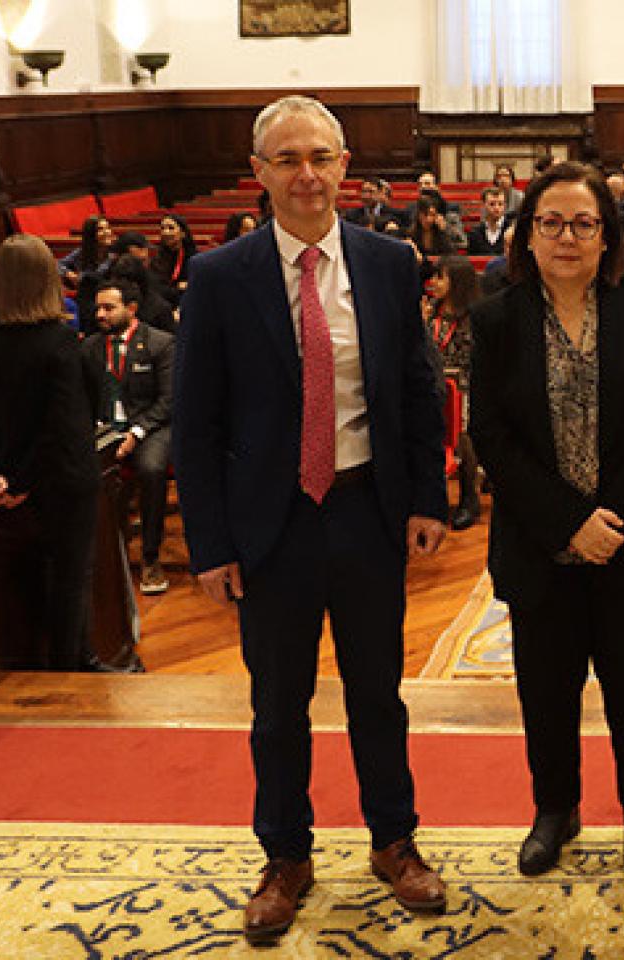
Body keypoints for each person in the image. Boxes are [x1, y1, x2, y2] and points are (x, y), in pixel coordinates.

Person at [172, 95, 452, 944]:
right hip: (272, 525)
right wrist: (211, 544)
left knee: (379, 695)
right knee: (278, 704)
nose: (307, 175)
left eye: (321, 157)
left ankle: (394, 841)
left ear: (345, 167)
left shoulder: (387, 263)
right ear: (258, 174)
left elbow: (414, 390)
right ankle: (286, 856)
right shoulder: (221, 278)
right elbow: (197, 422)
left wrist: (426, 500)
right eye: (287, 159)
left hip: (367, 511)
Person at [468, 161, 624, 883]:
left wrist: (610, 520)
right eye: (551, 222)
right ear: (527, 234)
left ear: (607, 235)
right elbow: (492, 434)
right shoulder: (498, 317)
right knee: (545, 687)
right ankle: (554, 810)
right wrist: (569, 524)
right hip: (541, 544)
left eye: (583, 223)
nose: (567, 236)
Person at [0, 235, 106, 674]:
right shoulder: (59, 341)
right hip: (61, 479)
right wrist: (21, 482)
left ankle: (65, 661)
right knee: (71, 576)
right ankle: (72, 670)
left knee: (29, 572)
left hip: (5, 483)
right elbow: (64, 426)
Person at [82, 278, 174, 594]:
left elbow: (168, 401)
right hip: (106, 430)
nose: (101, 315)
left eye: (109, 308)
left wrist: (136, 432)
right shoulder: (90, 348)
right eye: (98, 308)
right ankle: (107, 555)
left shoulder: (160, 343)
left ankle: (150, 557)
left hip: (151, 427)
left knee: (151, 469)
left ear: (131, 309)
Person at [423, 255, 481, 529]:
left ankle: (469, 498)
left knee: (464, 430)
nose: (433, 283)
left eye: (441, 277)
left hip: (465, 386)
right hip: (433, 384)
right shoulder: (430, 311)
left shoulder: (477, 317)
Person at [150, 214, 198, 305]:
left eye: (171, 228)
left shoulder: (195, 258)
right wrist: (178, 288)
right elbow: (157, 288)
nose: (166, 232)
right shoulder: (156, 259)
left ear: (183, 233)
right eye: (163, 228)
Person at [59, 215, 115, 287]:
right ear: (91, 234)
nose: (107, 232)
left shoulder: (114, 253)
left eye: (108, 228)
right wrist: (69, 274)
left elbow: (97, 275)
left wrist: (81, 277)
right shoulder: (82, 251)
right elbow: (59, 265)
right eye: (100, 229)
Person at [466, 186, 512, 255]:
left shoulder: (512, 230)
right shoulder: (474, 233)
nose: (496, 208)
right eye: (492, 204)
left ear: (505, 206)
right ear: (483, 205)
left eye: (500, 204)